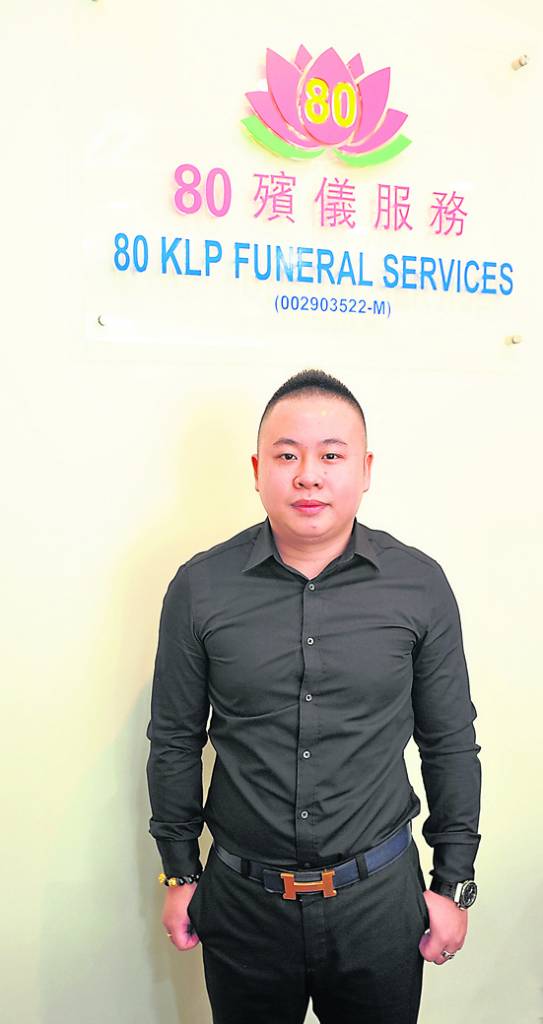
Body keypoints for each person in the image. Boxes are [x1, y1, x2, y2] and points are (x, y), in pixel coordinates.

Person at [146, 368, 481, 1024]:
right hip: (243, 902)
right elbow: (174, 740)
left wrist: (452, 881)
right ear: (257, 470)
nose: (308, 476)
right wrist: (179, 872)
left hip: (379, 901)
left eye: (331, 456)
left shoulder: (418, 586)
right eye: (286, 456)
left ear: (365, 469)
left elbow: (449, 743)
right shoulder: (199, 588)